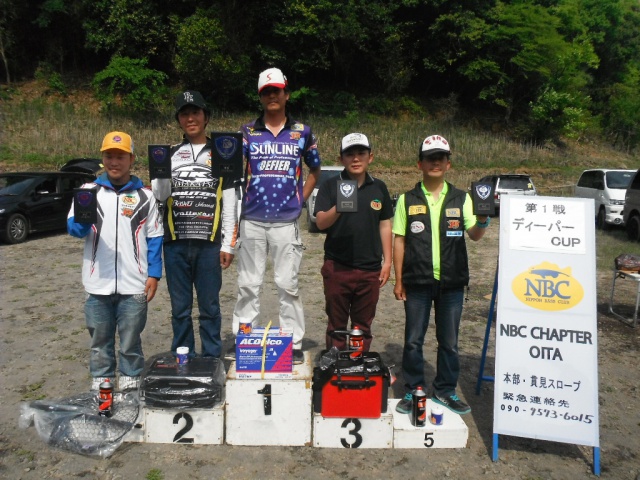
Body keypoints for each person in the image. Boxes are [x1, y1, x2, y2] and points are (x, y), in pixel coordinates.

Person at [229, 68, 321, 364]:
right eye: (266, 91)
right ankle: (244, 335)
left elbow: (315, 170)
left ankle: (292, 342)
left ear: (286, 94)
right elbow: (232, 173)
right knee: (248, 283)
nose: (272, 95)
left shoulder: (303, 131)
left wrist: (300, 200)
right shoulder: (246, 132)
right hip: (252, 219)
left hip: (286, 221)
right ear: (260, 97)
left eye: (277, 90)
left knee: (288, 284)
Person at [392, 134, 490, 415]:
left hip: (452, 283)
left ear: (448, 164)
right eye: (430, 157)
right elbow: (399, 240)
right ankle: (413, 391)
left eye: (441, 158)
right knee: (413, 339)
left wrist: (483, 219)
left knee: (449, 342)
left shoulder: (463, 198)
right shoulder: (407, 199)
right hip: (417, 281)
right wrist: (398, 280)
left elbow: (475, 235)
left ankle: (445, 391)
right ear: (419, 163)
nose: (435, 162)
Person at [68, 131, 163, 391]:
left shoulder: (146, 196)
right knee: (100, 343)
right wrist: (82, 220)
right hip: (97, 284)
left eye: (120, 156)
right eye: (109, 155)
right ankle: (103, 393)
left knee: (131, 343)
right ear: (102, 158)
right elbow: (74, 230)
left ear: (131, 159)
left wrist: (154, 274)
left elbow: (155, 237)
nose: (114, 162)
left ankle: (130, 392)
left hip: (135, 285)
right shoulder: (87, 192)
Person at [152, 90, 238, 359]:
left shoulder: (224, 150)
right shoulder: (167, 153)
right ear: (178, 120)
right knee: (180, 308)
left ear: (206, 117)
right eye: (184, 113)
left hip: (209, 244)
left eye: (196, 112)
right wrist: (162, 171)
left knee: (210, 307)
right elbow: (159, 196)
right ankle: (183, 357)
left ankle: (212, 359)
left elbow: (231, 199)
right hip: (175, 242)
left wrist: (229, 243)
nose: (191, 118)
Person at [314, 133, 393, 351]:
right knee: (337, 325)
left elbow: (385, 224)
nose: (355, 159)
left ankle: (358, 369)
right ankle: (335, 370)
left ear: (371, 157)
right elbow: (320, 222)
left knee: (362, 326)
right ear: (341, 159)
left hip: (370, 269)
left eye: (361, 153)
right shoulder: (331, 185)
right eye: (350, 154)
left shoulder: (379, 187)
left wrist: (388, 262)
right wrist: (339, 206)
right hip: (338, 267)